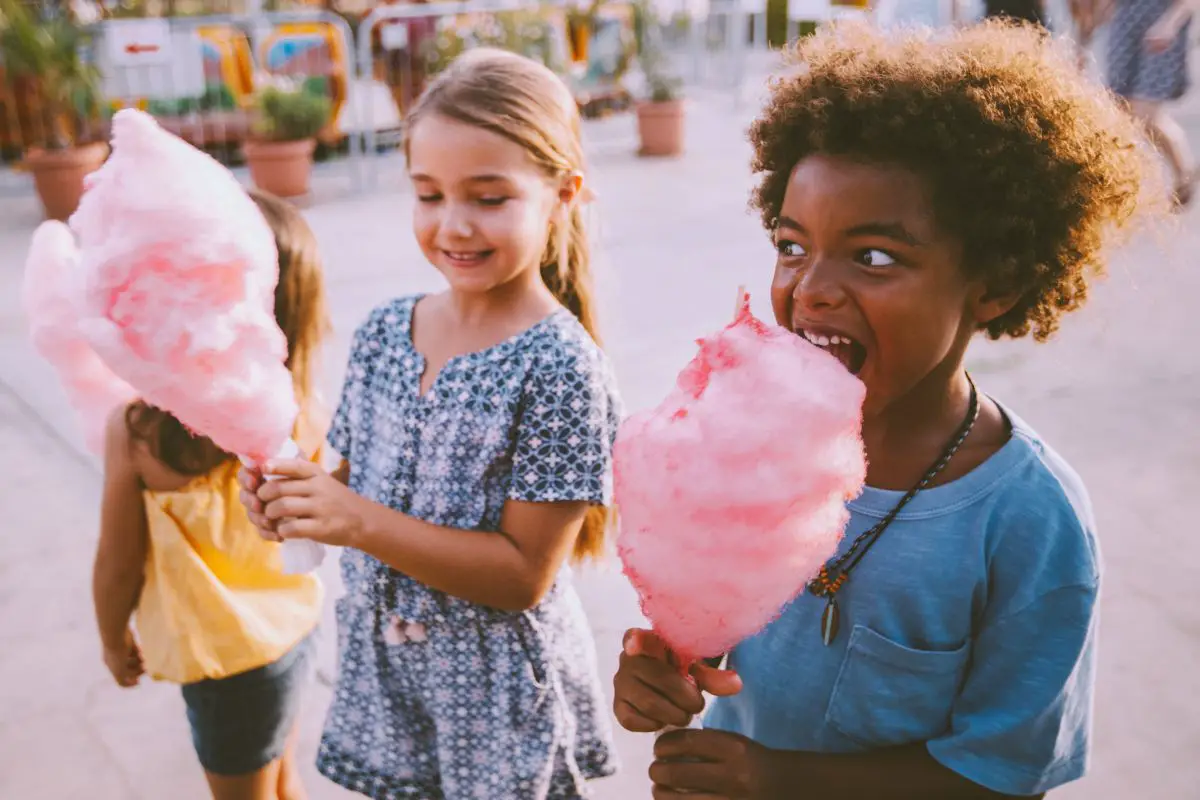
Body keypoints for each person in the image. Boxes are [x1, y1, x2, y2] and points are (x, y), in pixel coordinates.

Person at [611, 21, 1158, 799]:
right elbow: (706, 641)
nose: (810, 289)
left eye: (874, 257)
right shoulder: (747, 449)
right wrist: (661, 665)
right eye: (791, 245)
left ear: (994, 284)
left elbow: (1006, 772)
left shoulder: (1030, 522)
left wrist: (779, 780)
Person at [239, 49, 621, 800]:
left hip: (493, 695)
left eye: (488, 197)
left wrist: (354, 520)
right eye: (428, 193)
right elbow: (349, 486)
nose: (453, 225)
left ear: (563, 194)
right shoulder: (385, 330)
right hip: (390, 677)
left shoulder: (561, 369)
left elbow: (521, 577)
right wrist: (296, 503)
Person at [92, 188, 332, 800]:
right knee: (280, 775)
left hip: (225, 663)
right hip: (293, 631)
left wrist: (113, 638)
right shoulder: (304, 413)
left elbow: (118, 563)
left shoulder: (141, 433)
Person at [1081, 0, 1198, 207]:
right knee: (1123, 109)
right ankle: (1184, 171)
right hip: (1124, 24)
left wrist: (1169, 24)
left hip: (1162, 23)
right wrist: (1085, 37)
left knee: (1143, 112)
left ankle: (1122, 184)